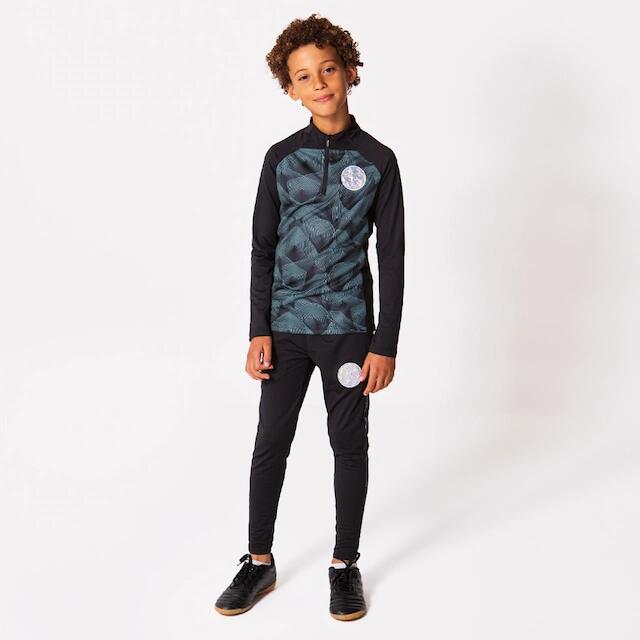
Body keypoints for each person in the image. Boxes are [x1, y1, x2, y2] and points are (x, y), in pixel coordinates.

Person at [214, 13, 405, 621]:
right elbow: (262, 248)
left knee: (348, 443)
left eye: (328, 69)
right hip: (286, 331)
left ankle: (344, 564)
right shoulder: (280, 158)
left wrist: (385, 342)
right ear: (290, 88)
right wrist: (258, 330)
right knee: (271, 440)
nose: (319, 83)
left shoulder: (378, 160)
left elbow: (392, 256)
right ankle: (258, 562)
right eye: (304, 76)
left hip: (348, 333)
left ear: (349, 72)